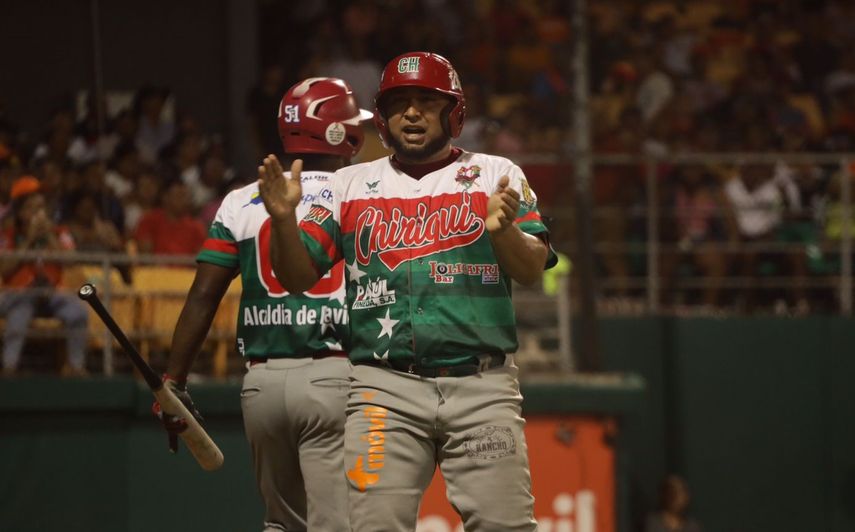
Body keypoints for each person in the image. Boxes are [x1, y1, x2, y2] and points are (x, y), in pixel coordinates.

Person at [259, 51, 556, 532]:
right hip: (383, 389)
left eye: (426, 101)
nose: (412, 113)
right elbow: (296, 277)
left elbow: (533, 269)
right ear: (381, 116)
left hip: (482, 386)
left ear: (454, 112)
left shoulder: (495, 172)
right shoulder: (347, 184)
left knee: (505, 527)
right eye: (399, 103)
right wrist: (282, 222)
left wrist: (504, 233)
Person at [154, 77, 372, 531]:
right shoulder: (361, 190)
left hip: (261, 385)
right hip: (335, 376)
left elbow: (203, 296)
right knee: (336, 524)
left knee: (281, 524)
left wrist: (173, 381)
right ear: (343, 133)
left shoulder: (240, 199)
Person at [0, 176, 89, 377]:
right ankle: (9, 368)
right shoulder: (9, 234)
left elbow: (71, 261)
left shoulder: (59, 232)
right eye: (31, 208)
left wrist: (49, 235)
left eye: (40, 207)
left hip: (52, 294)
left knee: (78, 312)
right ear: (20, 213)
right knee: (20, 312)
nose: (38, 213)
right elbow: (4, 269)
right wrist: (29, 240)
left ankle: (76, 367)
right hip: (18, 295)